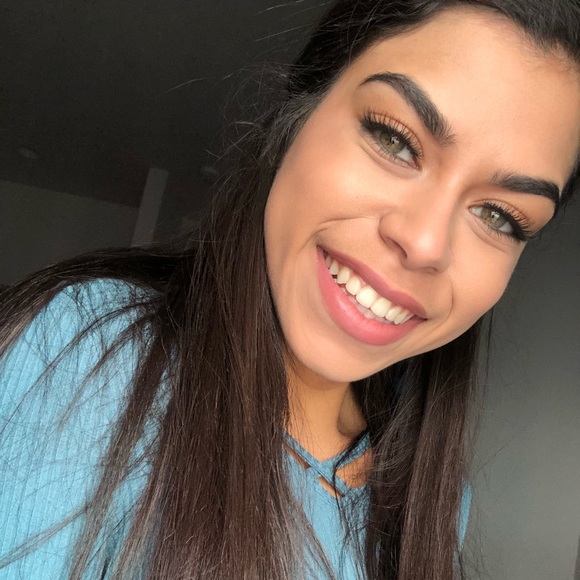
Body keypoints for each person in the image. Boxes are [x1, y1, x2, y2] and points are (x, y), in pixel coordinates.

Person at [1, 0, 579, 578]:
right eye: (395, 140)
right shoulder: (98, 356)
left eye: (500, 216)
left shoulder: (437, 503)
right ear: (297, 115)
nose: (426, 243)